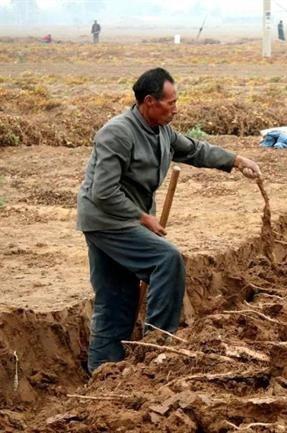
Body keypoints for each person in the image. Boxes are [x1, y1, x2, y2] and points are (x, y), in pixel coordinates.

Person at [76, 68, 261, 373]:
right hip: (107, 220)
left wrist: (236, 161)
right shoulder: (117, 133)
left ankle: (103, 371)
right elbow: (103, 192)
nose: (176, 108)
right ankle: (156, 347)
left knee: (117, 293)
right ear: (149, 101)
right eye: (170, 102)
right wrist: (143, 218)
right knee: (166, 260)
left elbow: (195, 150)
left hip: (128, 218)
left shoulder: (162, 131)